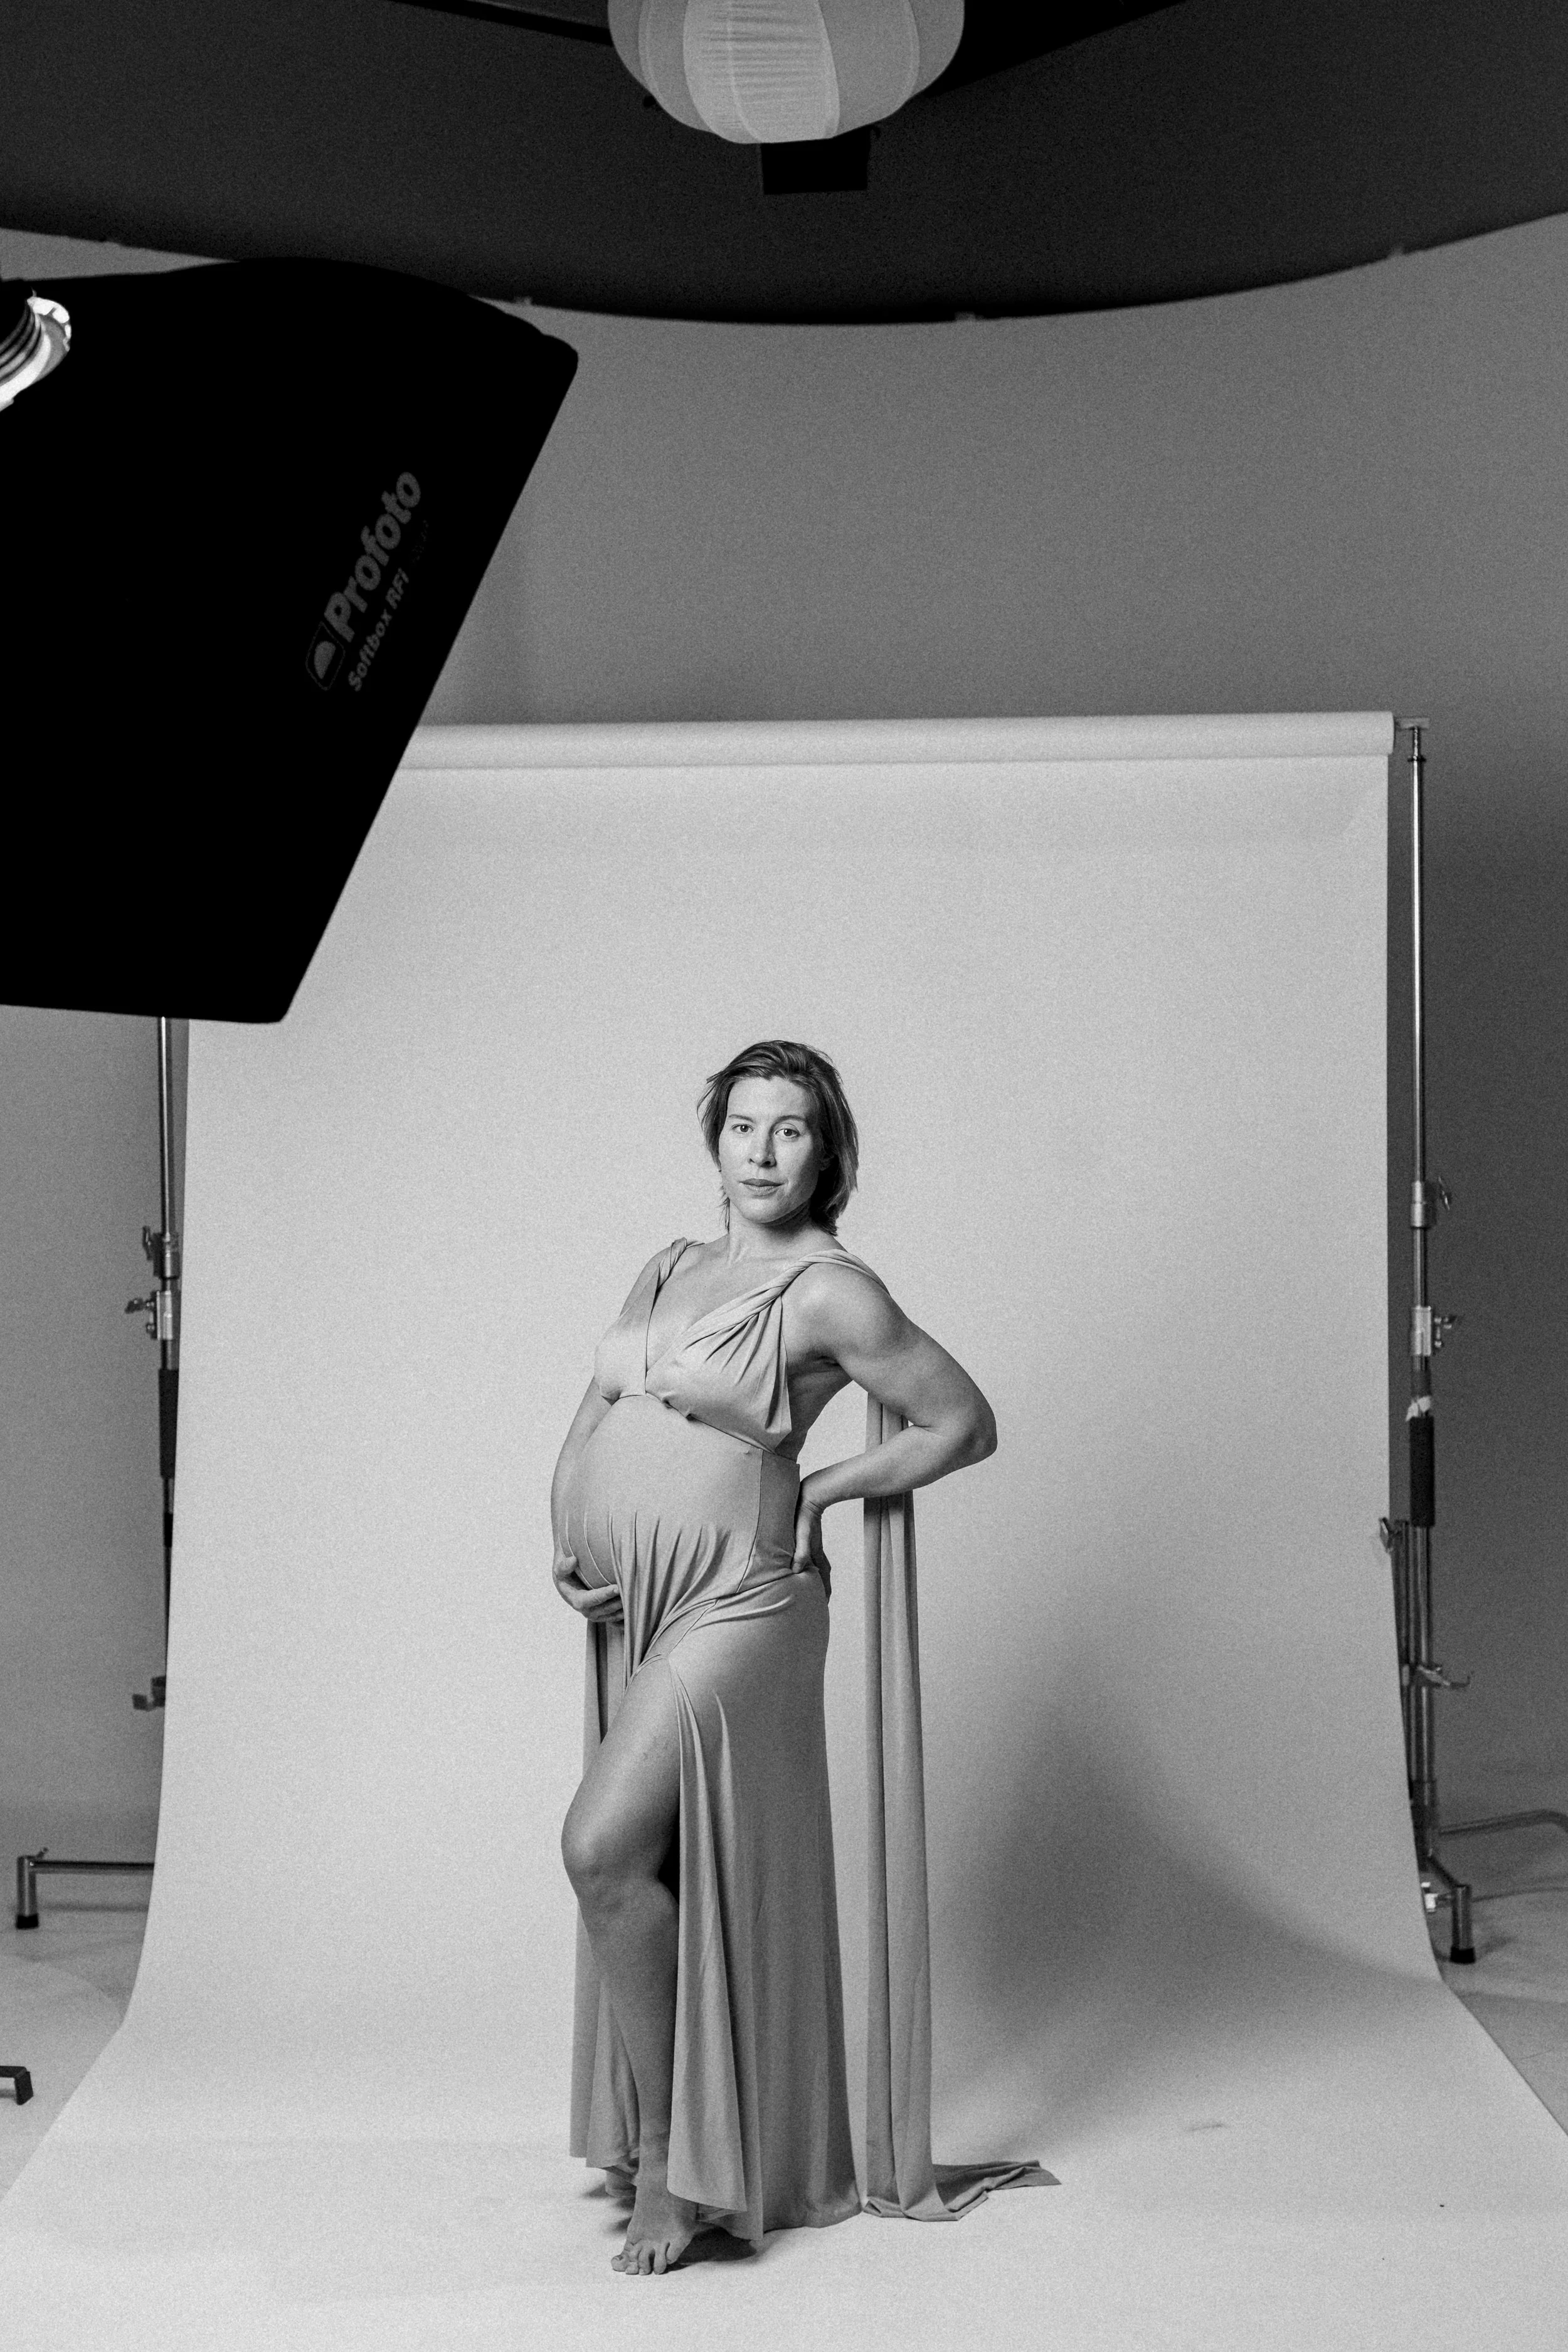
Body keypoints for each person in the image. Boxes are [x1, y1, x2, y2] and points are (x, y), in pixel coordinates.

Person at [551, 1039, 997, 2275]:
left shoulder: (831, 1291)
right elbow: (596, 1404)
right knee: (651, 1864)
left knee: (599, 1849)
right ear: (714, 1141)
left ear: (824, 1148)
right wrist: (564, 1522)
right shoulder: (668, 1265)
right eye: (742, 1125)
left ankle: (666, 2172)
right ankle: (684, 2144)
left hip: (743, 1599)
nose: (759, 1149)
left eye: (788, 1128)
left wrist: (822, 1493)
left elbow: (963, 1421)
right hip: (637, 1594)